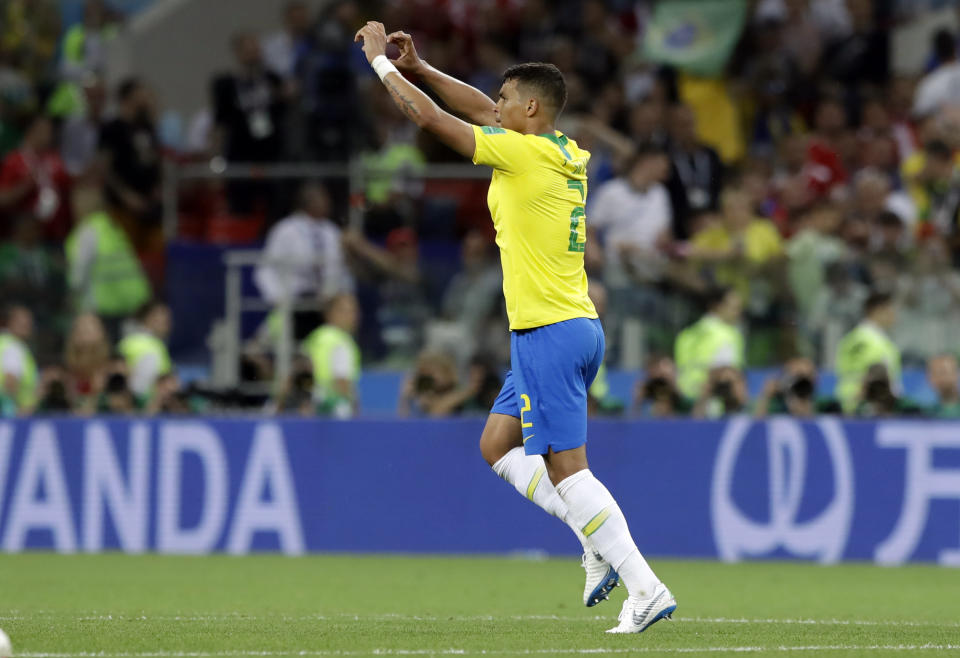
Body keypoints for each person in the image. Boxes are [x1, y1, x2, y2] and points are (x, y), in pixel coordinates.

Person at [355, 23, 675, 633]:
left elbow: (433, 122)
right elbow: (475, 105)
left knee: (568, 472)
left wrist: (381, 66)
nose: (492, 107)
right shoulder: (563, 150)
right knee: (497, 445)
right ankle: (594, 542)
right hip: (571, 328)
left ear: (529, 109)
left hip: (550, 332)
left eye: (504, 100)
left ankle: (644, 586)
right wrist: (421, 67)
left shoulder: (521, 153)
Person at [254, 181, 354, 341]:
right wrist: (278, 298)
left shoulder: (332, 232)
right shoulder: (285, 230)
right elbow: (265, 270)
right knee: (267, 340)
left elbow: (341, 269)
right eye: (323, 198)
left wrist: (340, 294)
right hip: (293, 304)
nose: (328, 203)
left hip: (326, 304)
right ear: (309, 200)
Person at [65, 185, 151, 328]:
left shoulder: (87, 232)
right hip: (129, 300)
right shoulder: (111, 228)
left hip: (100, 305)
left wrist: (71, 299)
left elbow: (78, 275)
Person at [0, 114, 72, 241]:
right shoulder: (14, 161)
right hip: (23, 234)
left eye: (50, 131)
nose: (49, 135)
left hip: (56, 233)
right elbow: (3, 199)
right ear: (31, 131)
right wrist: (26, 185)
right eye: (44, 130)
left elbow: (69, 187)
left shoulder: (54, 159)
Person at [835, 290, 902, 414]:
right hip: (869, 407)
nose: (894, 314)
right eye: (890, 309)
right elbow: (875, 378)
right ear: (877, 310)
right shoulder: (875, 343)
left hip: (847, 404)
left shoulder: (850, 339)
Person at [674, 287, 745, 400]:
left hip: (683, 398)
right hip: (712, 402)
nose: (738, 313)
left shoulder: (686, 333)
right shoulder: (729, 335)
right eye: (734, 308)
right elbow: (726, 376)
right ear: (717, 306)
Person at [300, 293, 361, 418]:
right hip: (334, 408)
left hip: (311, 405)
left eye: (354, 311)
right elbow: (342, 380)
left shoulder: (316, 336)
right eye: (344, 311)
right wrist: (354, 412)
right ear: (329, 313)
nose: (351, 316)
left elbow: (301, 370)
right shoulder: (341, 342)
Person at [117, 300, 173, 404]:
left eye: (167, 318)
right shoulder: (154, 346)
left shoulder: (127, 341)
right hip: (143, 403)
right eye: (160, 317)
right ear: (147, 318)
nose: (166, 322)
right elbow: (165, 381)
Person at [754, 356, 841, 417]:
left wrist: (806, 408)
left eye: (806, 376)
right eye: (798, 376)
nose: (802, 383)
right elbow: (757, 429)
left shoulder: (827, 406)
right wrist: (765, 397)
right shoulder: (776, 405)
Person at [0, 304, 37, 415]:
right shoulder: (14, 347)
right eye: (21, 321)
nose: (26, 324)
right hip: (13, 414)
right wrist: (16, 411)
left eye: (28, 321)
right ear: (10, 322)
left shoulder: (4, 342)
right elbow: (10, 383)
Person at [925, 353, 960, 418]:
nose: (940, 378)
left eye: (944, 372)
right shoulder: (926, 414)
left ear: (956, 374)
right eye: (935, 374)